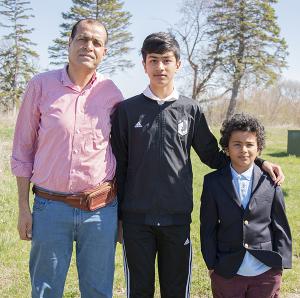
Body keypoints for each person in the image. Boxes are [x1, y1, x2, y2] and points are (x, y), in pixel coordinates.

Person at [111, 32, 284, 298]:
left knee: (177, 291)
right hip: (136, 222)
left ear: (178, 64)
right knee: (139, 291)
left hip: (177, 220)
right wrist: (120, 217)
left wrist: (259, 162)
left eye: (167, 60)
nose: (160, 67)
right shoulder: (127, 110)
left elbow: (214, 156)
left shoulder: (190, 110)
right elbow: (118, 166)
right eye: (153, 60)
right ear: (144, 64)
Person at [11, 19, 123, 298]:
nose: (89, 46)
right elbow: (22, 149)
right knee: (45, 290)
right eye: (82, 39)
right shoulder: (40, 86)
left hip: (100, 210)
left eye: (97, 42)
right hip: (50, 207)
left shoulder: (112, 94)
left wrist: (120, 217)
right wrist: (24, 208)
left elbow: (123, 155)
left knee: (98, 291)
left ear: (104, 52)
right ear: (69, 44)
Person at [200, 113, 292, 298]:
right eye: (237, 144)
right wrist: (212, 266)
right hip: (227, 271)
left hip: (266, 273)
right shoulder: (212, 183)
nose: (244, 150)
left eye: (250, 145)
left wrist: (279, 267)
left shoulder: (271, 181)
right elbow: (208, 228)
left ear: (259, 148)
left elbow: (280, 225)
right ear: (226, 148)